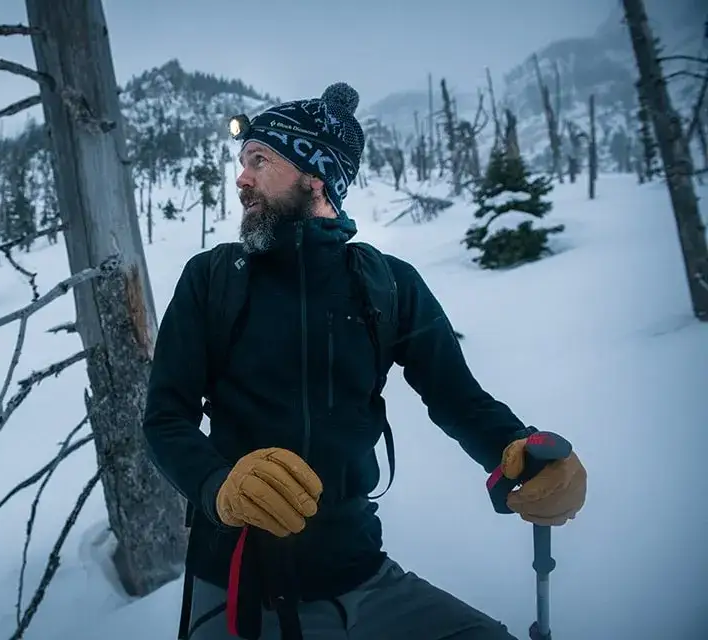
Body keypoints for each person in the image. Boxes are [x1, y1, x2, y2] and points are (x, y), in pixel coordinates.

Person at [141, 82, 587, 640]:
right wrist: (218, 485)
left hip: (360, 575)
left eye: (259, 160)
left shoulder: (388, 284)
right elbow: (165, 418)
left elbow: (458, 399)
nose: (241, 178)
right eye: (242, 162)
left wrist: (520, 451)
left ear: (315, 176)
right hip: (236, 589)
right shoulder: (212, 279)